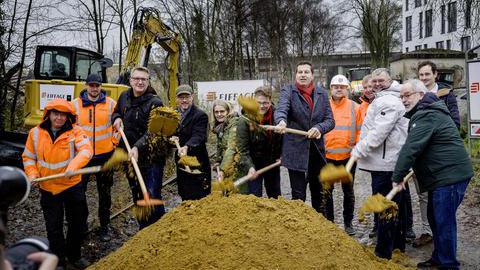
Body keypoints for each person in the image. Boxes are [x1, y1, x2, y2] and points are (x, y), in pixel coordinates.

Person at [393, 79, 473, 270]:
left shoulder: (426, 115)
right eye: (401, 96)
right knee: (435, 216)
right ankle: (439, 257)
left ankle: (449, 264)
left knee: (443, 220)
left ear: (421, 95)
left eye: (407, 95)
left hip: (450, 176)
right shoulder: (425, 112)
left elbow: (411, 148)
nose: (403, 100)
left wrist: (397, 176)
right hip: (443, 175)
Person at [22, 99, 93, 269]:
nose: (59, 118)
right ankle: (58, 259)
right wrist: (32, 174)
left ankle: (74, 255)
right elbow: (28, 157)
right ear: (49, 114)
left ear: (68, 117)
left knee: (78, 224)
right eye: (56, 114)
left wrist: (73, 166)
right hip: (48, 189)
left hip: (71, 186)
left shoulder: (76, 132)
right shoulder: (35, 133)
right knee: (53, 228)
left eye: (63, 115)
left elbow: (86, 150)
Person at [351, 68, 408, 260]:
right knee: (395, 207)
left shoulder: (389, 100)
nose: (376, 84)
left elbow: (379, 132)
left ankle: (383, 254)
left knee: (386, 210)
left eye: (381, 80)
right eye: (374, 81)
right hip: (387, 163)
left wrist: (360, 149)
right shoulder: (384, 97)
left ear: (390, 80)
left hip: (387, 165)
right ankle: (398, 247)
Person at [274, 61, 335, 213]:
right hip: (295, 150)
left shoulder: (321, 93)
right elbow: (282, 109)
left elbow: (330, 121)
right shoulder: (288, 91)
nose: (303, 75)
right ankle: (298, 227)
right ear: (296, 75)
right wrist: (281, 121)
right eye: (300, 72)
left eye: (306, 72)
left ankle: (320, 225)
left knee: (319, 191)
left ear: (312, 75)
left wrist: (319, 128)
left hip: (316, 151)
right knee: (298, 193)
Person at [112, 67, 165, 229]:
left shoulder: (155, 102)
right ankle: (144, 230)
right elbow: (115, 113)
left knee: (151, 194)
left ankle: (158, 229)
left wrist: (137, 147)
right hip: (131, 157)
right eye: (136, 79)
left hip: (151, 157)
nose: (140, 82)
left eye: (144, 79)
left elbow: (155, 131)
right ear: (130, 81)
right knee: (138, 195)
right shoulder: (124, 97)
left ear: (148, 81)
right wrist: (117, 118)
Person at [72, 74, 117, 242]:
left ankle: (104, 226)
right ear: (86, 86)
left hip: (105, 157)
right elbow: (70, 130)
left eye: (97, 85)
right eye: (91, 85)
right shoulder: (75, 105)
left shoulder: (111, 104)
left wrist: (113, 142)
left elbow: (118, 127)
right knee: (79, 194)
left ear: (101, 86)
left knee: (105, 194)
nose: (94, 88)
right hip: (83, 158)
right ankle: (81, 226)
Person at [324, 75, 362, 235]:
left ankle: (348, 223)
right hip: (327, 157)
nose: (339, 89)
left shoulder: (355, 107)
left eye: (342, 87)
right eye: (335, 86)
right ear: (331, 88)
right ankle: (330, 222)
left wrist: (357, 149)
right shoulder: (324, 106)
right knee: (327, 191)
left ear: (347, 89)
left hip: (348, 157)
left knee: (348, 191)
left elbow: (361, 130)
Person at [236, 86, 282, 198]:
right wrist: (250, 167)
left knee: (275, 196)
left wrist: (282, 155)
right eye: (259, 102)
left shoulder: (278, 117)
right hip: (254, 163)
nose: (262, 106)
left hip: (272, 163)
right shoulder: (245, 120)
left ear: (270, 100)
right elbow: (243, 149)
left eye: (265, 102)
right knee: (254, 197)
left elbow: (285, 139)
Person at [174, 84, 211, 200]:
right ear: (176, 99)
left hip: (197, 159)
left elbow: (199, 135)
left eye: (187, 97)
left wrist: (187, 146)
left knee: (200, 193)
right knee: (184, 192)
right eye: (181, 97)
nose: (184, 100)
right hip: (181, 160)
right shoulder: (172, 114)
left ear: (192, 97)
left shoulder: (200, 115)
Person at [417, 60, 460, 129]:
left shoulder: (447, 94)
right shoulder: (415, 95)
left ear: (435, 74)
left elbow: (455, 122)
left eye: (427, 74)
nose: (424, 78)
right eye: (421, 75)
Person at [211, 100, 237, 168]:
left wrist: (223, 168)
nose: (219, 114)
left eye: (222, 111)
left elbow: (231, 148)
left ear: (228, 111)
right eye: (216, 112)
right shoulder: (220, 126)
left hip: (236, 163)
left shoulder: (234, 124)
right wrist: (218, 161)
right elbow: (220, 146)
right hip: (227, 162)